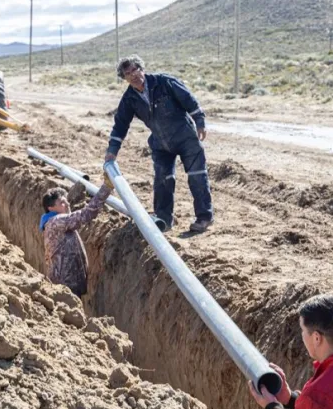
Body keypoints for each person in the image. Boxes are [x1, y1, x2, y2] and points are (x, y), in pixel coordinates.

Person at [105, 55, 213, 234]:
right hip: (161, 143)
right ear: (124, 79)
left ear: (142, 69)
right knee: (162, 180)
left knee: (197, 176)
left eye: (135, 69)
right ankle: (163, 220)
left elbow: (189, 100)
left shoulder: (164, 82)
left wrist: (200, 122)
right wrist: (112, 151)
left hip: (186, 138)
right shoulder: (129, 98)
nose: (133, 75)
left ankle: (204, 218)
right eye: (127, 73)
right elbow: (120, 124)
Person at [39, 176, 114, 297]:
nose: (67, 204)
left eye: (66, 200)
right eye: (62, 202)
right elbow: (86, 214)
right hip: (65, 286)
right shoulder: (57, 221)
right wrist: (106, 188)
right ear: (51, 208)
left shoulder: (53, 222)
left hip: (65, 284)